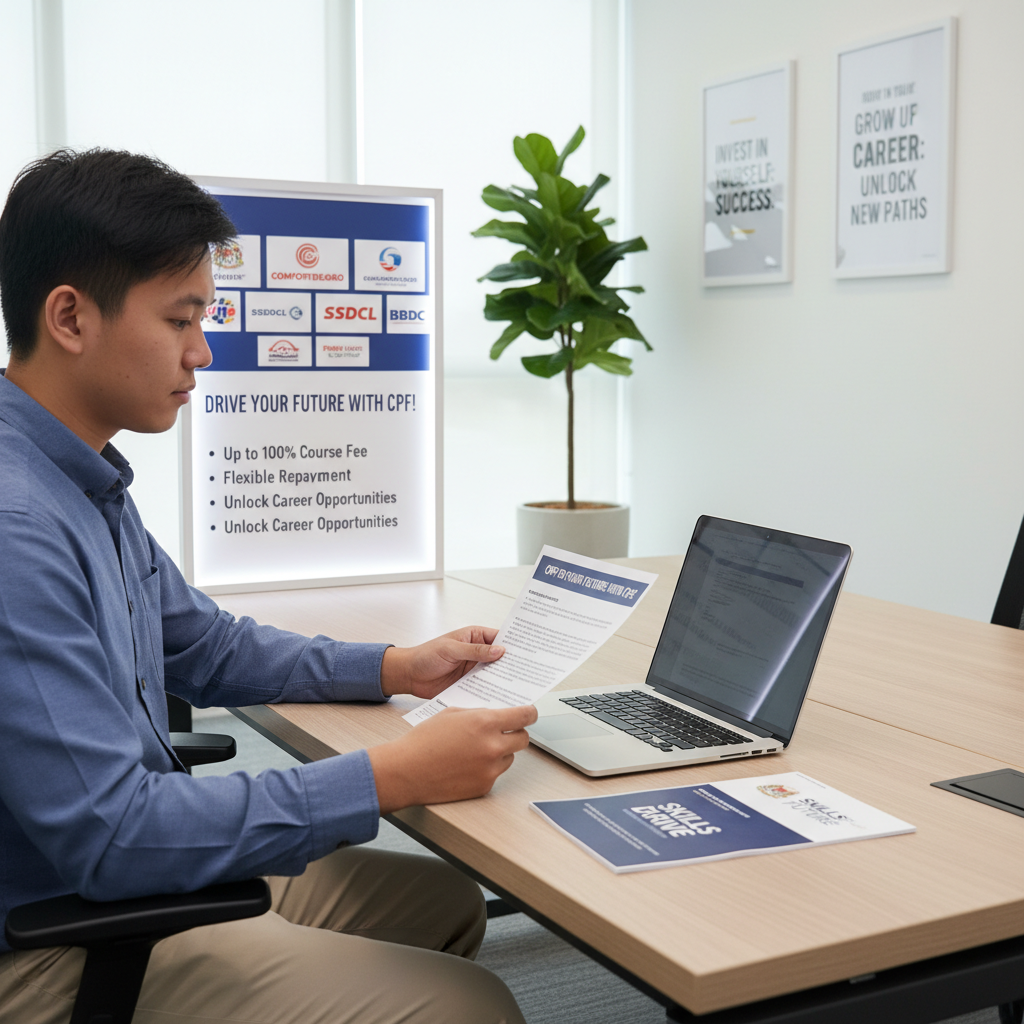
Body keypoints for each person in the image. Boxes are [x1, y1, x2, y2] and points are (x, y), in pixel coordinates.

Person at [0, 149, 535, 1024]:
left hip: (100, 882)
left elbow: (200, 646)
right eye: (181, 319)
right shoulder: (16, 525)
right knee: (468, 1007)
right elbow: (113, 836)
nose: (202, 352)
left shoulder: (78, 474)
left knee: (445, 905)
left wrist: (395, 665)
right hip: (50, 933)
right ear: (69, 317)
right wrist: (386, 778)